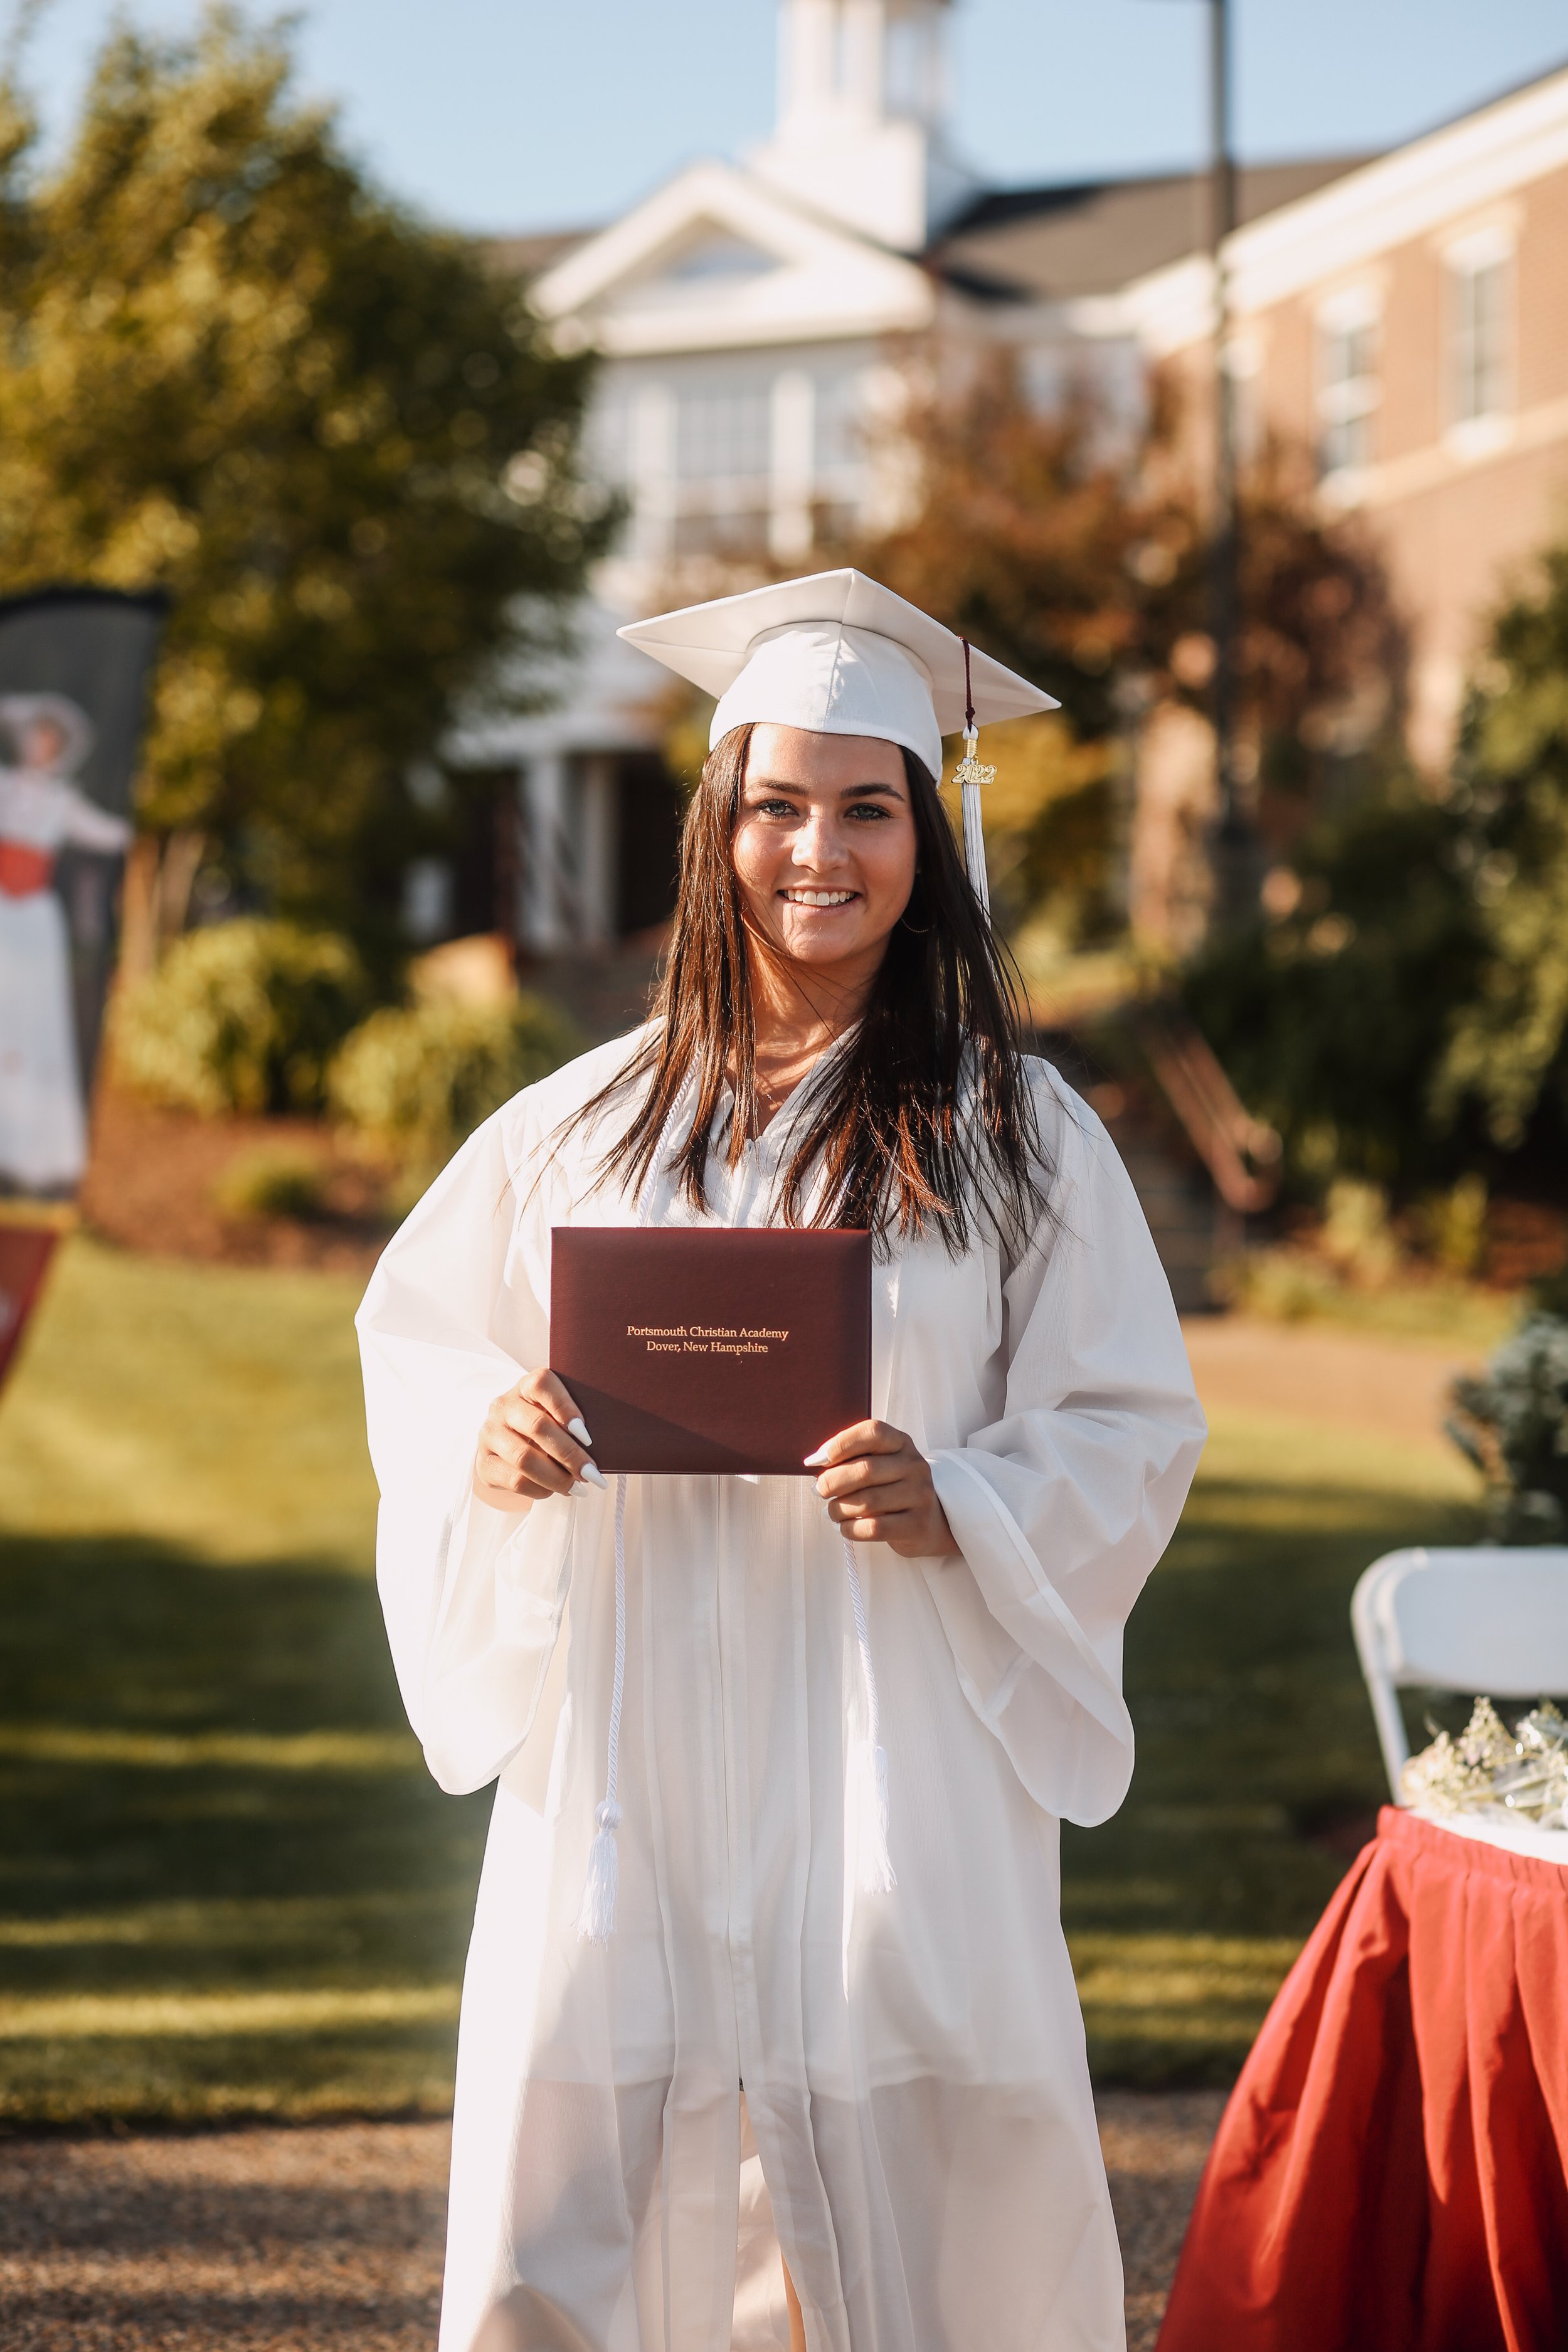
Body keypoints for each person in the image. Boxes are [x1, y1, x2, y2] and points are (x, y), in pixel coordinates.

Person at [356, 570, 1206, 2352]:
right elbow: (428, 1352)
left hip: (892, 1750)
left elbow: (1130, 1422)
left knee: (939, 2153)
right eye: (776, 802)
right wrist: (489, 1442)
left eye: (867, 806)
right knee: (578, 2162)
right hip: (630, 1755)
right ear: (713, 826)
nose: (818, 849)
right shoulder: (579, 1121)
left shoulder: (1015, 1136)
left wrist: (959, 1494)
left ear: (927, 836)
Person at [0, 694, 131, 1194]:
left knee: (29, 1030)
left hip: (32, 922)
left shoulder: (62, 803)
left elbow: (110, 834)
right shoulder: (6, 788)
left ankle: (25, 1149)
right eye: (37, 737)